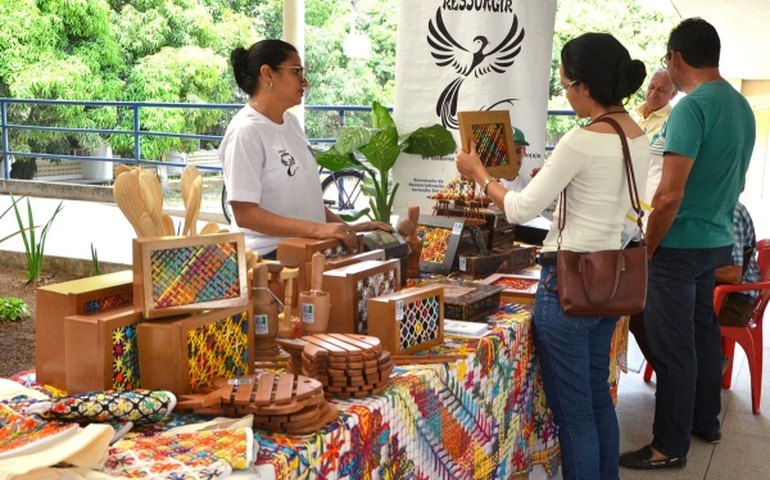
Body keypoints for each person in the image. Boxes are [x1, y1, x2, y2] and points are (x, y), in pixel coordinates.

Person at [457, 32, 648, 480]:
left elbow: (519, 208)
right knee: (597, 398)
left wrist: (479, 174)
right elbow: (607, 207)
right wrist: (560, 184)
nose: (566, 94)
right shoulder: (637, 135)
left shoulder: (580, 140)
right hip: (610, 280)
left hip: (568, 285)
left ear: (584, 86)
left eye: (565, 85)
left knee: (574, 413)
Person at [619, 18, 756, 470]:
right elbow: (736, 183)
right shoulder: (740, 107)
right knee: (701, 335)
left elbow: (669, 195)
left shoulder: (690, 109)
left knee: (673, 346)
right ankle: (704, 420)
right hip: (715, 239)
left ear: (676, 58)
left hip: (678, 245)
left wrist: (647, 248)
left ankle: (668, 446)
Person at [219, 39, 390, 259]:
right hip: (270, 258)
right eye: (296, 72)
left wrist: (350, 229)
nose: (305, 81)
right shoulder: (245, 132)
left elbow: (308, 203)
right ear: (268, 73)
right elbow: (245, 214)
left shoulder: (291, 123)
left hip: (311, 247)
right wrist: (317, 230)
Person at [715, 201, 760, 327]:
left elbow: (734, 275)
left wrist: (689, 269)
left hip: (733, 303)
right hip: (719, 296)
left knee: (671, 317)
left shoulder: (730, 212)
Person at [630, 68, 677, 139]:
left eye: (661, 90)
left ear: (673, 94)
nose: (653, 94)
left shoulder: (670, 123)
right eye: (651, 87)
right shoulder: (632, 113)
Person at [499, 127, 530, 192]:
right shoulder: (483, 183)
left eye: (518, 151)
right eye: (507, 152)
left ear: (524, 152)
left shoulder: (529, 184)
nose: (514, 158)